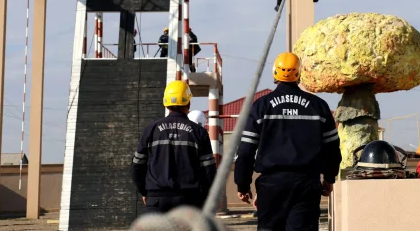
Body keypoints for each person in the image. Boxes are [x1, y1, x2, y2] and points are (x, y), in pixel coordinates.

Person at [234, 52, 342, 231]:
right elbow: (332, 148)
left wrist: (243, 184)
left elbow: (245, 150)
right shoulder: (318, 106)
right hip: (306, 184)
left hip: (271, 185)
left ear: (274, 72)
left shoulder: (261, 106)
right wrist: (329, 178)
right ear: (299, 73)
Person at [130, 80, 216, 215]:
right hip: (189, 201)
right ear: (188, 102)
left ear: (166, 102)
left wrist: (146, 191)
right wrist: (202, 197)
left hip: (157, 200)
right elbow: (209, 171)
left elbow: (136, 167)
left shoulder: (150, 130)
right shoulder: (199, 132)